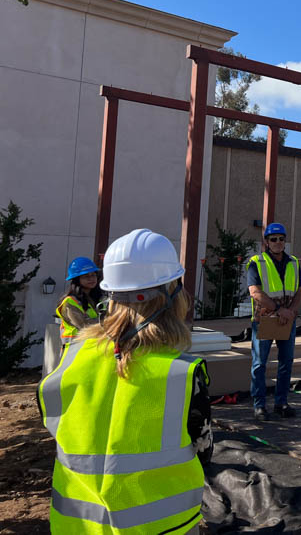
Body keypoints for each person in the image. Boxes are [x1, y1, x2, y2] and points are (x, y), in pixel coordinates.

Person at [38, 228, 212, 534]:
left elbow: (52, 421)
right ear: (173, 294)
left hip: (77, 526)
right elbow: (204, 450)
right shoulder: (182, 373)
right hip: (161, 526)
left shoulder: (70, 360)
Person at [246, 222, 301, 421]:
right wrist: (280, 310)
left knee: (286, 362)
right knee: (259, 364)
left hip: (286, 320)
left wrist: (291, 311)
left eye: (281, 239)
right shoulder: (256, 262)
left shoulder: (293, 262)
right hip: (264, 320)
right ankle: (259, 406)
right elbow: (255, 292)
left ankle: (281, 403)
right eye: (274, 239)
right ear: (266, 242)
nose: (278, 242)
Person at [56, 256, 102, 346]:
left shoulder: (98, 299)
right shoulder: (70, 302)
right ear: (77, 280)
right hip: (75, 350)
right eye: (86, 276)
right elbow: (84, 325)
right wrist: (109, 322)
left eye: (93, 275)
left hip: (94, 347)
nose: (91, 279)